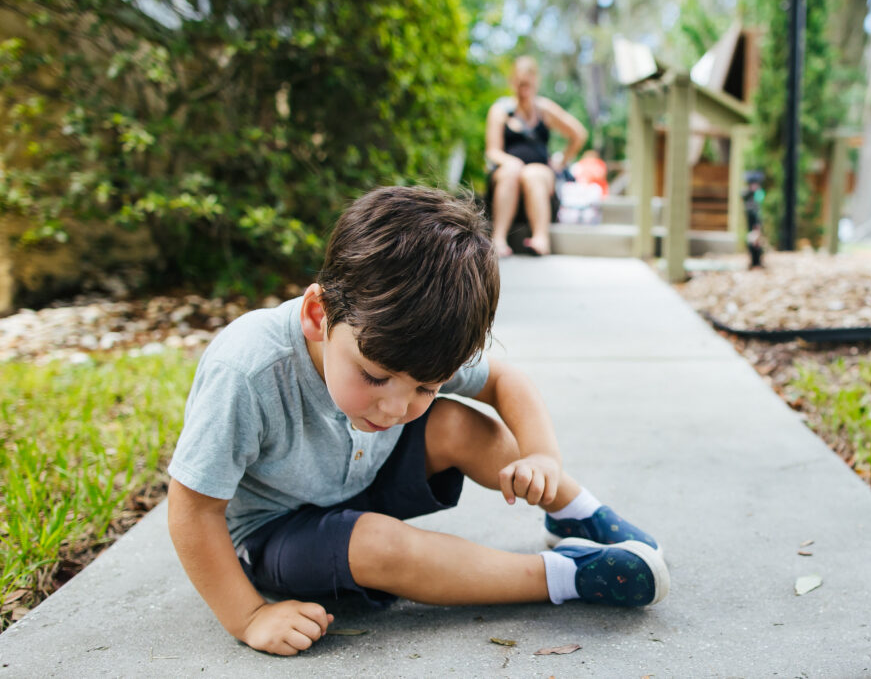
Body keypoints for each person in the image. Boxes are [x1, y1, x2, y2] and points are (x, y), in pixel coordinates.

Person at [167, 186, 668, 656]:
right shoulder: (248, 370)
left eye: (425, 387)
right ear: (318, 315)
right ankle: (565, 577)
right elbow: (193, 509)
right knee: (383, 546)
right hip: (278, 532)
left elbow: (505, 382)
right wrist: (250, 615)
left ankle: (573, 510)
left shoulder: (409, 348)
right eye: (374, 376)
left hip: (364, 474)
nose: (395, 409)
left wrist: (542, 458)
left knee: (457, 423)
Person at [486, 56, 588, 257]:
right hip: (507, 175)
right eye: (520, 83)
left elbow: (579, 134)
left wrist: (561, 161)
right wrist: (511, 162)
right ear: (513, 82)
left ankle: (541, 238)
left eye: (529, 84)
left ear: (536, 82)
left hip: (540, 176)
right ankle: (498, 238)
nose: (524, 89)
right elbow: (492, 151)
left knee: (533, 173)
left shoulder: (544, 109)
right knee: (512, 170)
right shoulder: (500, 110)